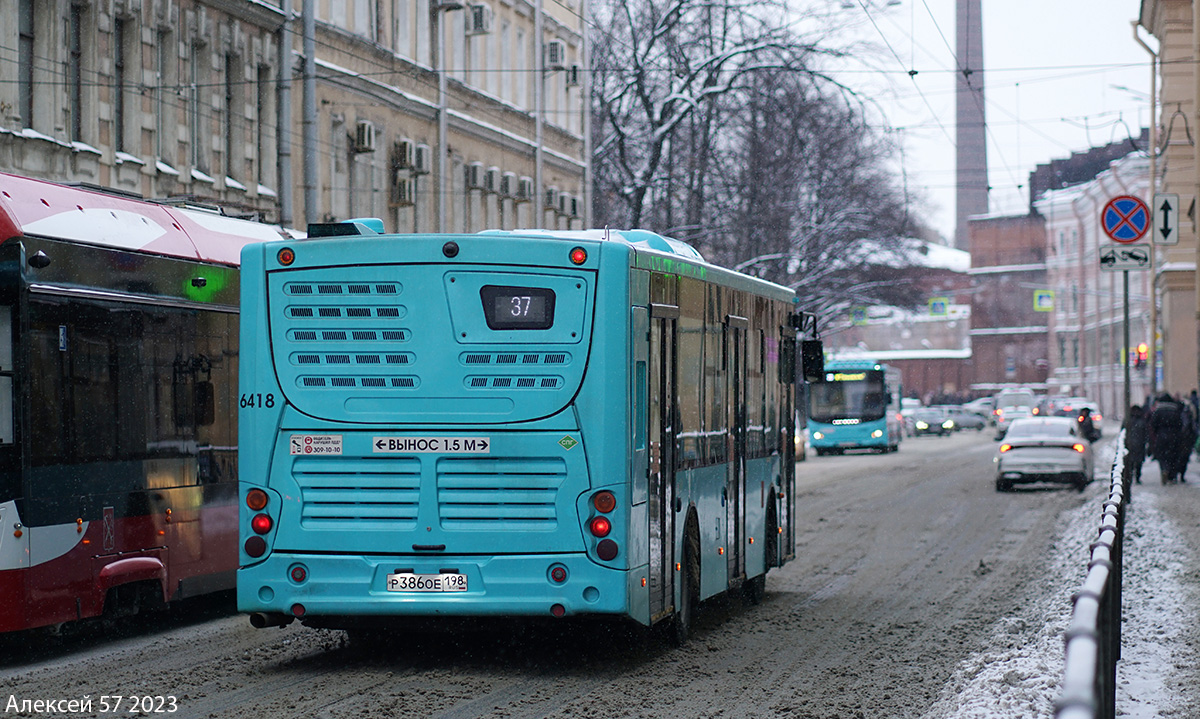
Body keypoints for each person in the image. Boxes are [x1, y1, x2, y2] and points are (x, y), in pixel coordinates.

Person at [1149, 392, 1187, 484]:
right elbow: (1180, 424)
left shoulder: (1158, 411)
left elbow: (1153, 424)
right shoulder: (1175, 410)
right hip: (1174, 437)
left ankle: (1164, 469)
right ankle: (1171, 476)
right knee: (1173, 456)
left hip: (1161, 436)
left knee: (1162, 455)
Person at [1123, 404, 1148, 484]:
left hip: (1130, 444)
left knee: (1130, 462)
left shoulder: (1127, 420)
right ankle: (1137, 477)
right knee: (1139, 462)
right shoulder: (1142, 420)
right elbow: (1146, 433)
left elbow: (1123, 431)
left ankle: (1130, 477)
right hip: (1140, 444)